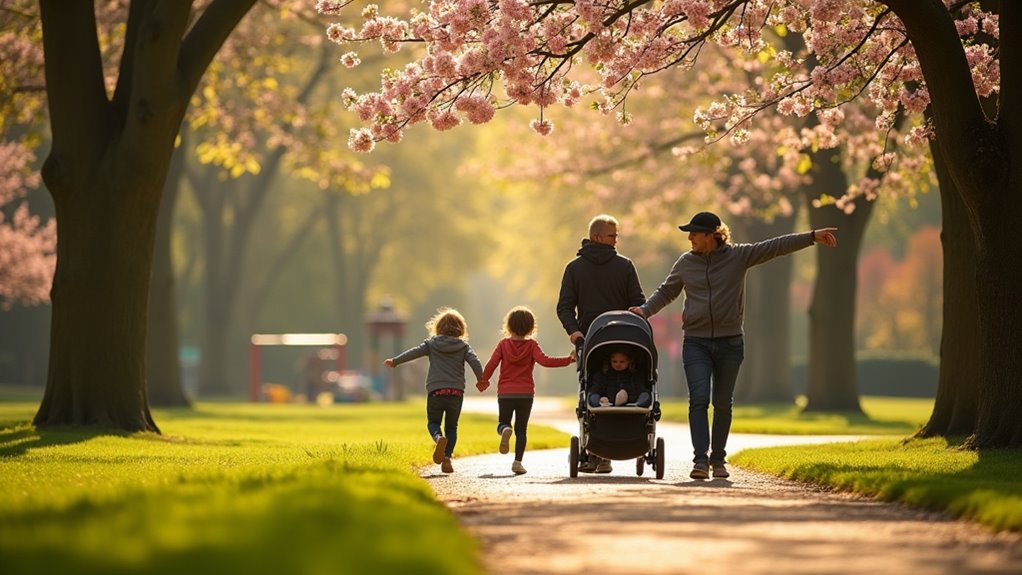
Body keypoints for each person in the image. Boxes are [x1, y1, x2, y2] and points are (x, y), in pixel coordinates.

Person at [630, 211, 838, 480]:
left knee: (723, 403)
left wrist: (811, 237)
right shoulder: (685, 263)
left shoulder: (738, 256)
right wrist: (645, 311)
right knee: (699, 400)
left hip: (730, 342)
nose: (690, 237)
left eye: (695, 233)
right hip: (696, 342)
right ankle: (701, 460)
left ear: (712, 235)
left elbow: (775, 246)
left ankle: (718, 460)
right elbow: (667, 292)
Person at [557, 214, 646, 473]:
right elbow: (637, 302)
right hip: (624, 339)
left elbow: (564, 308)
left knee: (592, 394)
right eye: (612, 235)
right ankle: (600, 453)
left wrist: (575, 331)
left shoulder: (574, 268)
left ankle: (597, 453)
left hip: (590, 341)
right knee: (600, 390)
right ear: (597, 236)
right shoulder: (624, 266)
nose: (616, 239)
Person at [477, 306, 576, 475]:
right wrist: (568, 360)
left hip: (506, 393)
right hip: (525, 394)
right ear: (531, 327)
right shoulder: (531, 345)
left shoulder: (503, 344)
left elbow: (492, 364)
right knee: (521, 429)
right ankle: (517, 462)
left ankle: (504, 430)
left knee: (503, 422)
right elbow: (545, 361)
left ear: (508, 326)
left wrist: (483, 380)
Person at [385, 307, 484, 474]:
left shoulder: (431, 344)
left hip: (436, 391)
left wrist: (396, 361)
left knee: (433, 422)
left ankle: (438, 438)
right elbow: (474, 361)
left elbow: (413, 353)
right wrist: (482, 380)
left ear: (437, 327)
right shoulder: (463, 347)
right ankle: (447, 458)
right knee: (452, 427)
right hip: (456, 392)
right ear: (460, 328)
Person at [587, 348, 651, 408]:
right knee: (593, 396)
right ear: (610, 361)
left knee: (645, 395)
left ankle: (637, 403)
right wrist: (599, 398)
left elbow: (639, 389)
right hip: (608, 401)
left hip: (630, 401)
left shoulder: (634, 375)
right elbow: (597, 388)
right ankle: (601, 402)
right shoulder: (604, 374)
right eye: (614, 361)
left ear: (629, 362)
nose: (618, 364)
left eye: (622, 362)